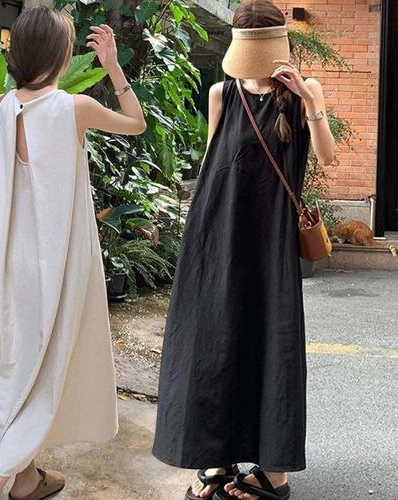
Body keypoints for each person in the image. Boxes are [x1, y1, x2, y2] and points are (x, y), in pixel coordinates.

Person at [152, 1, 335, 499]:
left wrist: (308, 100)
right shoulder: (222, 93)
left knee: (271, 342)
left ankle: (275, 473)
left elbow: (326, 157)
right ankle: (216, 459)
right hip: (217, 236)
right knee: (215, 343)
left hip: (270, 240)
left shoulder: (304, 93)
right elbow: (213, 167)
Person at [0, 7, 146, 500]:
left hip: (14, 258)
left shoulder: (5, 105)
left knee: (21, 363)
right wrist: (113, 66)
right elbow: (136, 123)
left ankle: (26, 479)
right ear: (61, 54)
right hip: (61, 258)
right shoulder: (73, 108)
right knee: (48, 366)